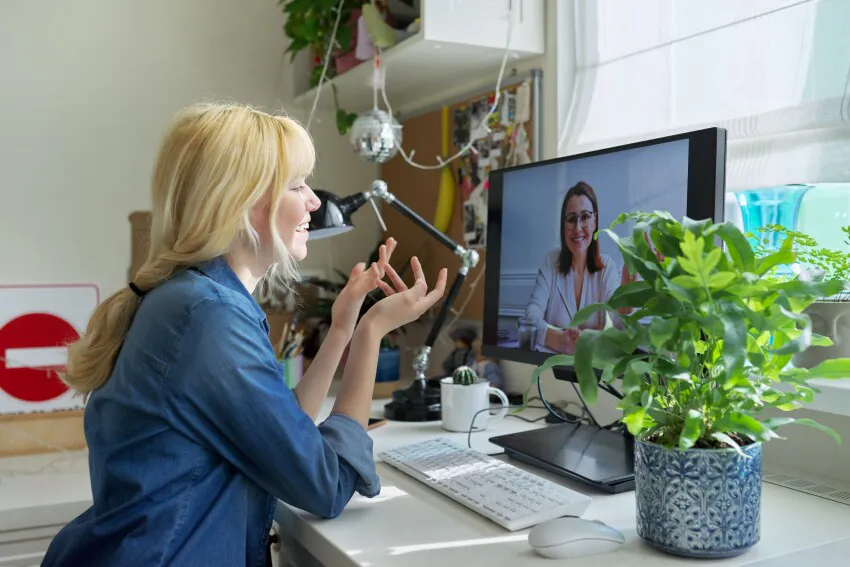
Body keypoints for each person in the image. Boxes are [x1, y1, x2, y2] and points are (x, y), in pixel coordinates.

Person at [42, 102, 447, 567]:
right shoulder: (209, 316)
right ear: (244, 204)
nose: (315, 201)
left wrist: (343, 328)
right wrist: (372, 331)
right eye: (297, 186)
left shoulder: (195, 298)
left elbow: (279, 427)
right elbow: (324, 484)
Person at [525, 181, 633, 354]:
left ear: (595, 220)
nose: (577, 228)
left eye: (585, 217)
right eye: (571, 219)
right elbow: (530, 317)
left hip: (592, 370)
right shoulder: (551, 261)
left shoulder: (607, 267)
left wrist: (627, 299)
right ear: (563, 224)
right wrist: (560, 341)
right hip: (550, 370)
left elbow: (617, 328)